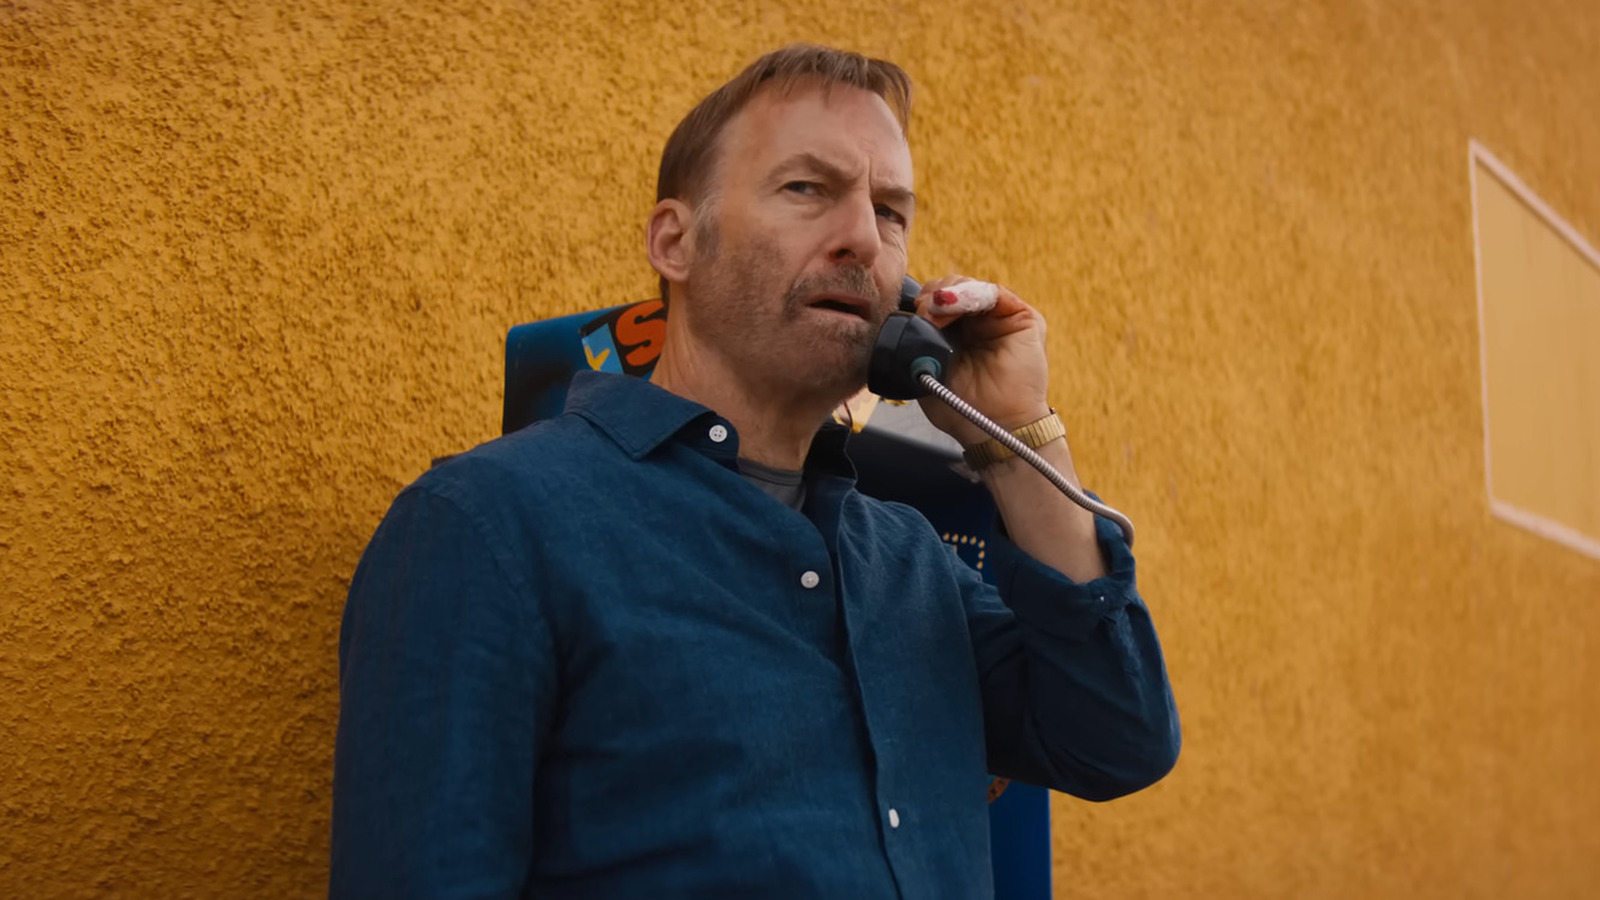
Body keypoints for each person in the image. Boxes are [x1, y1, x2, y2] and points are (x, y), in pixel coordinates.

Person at [330, 43, 1180, 899]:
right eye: (806, 189)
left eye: (891, 212)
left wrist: (1017, 436)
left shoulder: (912, 565)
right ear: (676, 242)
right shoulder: (489, 526)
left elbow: (1116, 742)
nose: (862, 238)